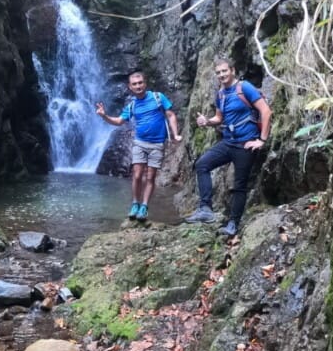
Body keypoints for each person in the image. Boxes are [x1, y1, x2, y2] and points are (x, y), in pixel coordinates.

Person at [184, 58, 272, 236]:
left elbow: (266, 111)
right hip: (228, 142)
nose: (221, 75)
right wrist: (207, 121)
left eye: (224, 71)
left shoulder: (244, 87)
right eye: (218, 73)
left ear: (232, 70)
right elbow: (219, 118)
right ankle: (205, 209)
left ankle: (233, 223)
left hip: (245, 144)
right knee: (202, 164)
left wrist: (261, 140)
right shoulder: (221, 94)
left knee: (239, 185)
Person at [96, 70, 182, 220]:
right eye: (134, 84)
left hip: (157, 144)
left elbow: (170, 115)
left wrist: (175, 134)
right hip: (140, 143)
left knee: (150, 177)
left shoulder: (158, 98)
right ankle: (135, 203)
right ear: (130, 87)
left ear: (145, 83)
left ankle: (144, 207)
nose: (138, 86)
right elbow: (118, 122)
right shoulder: (132, 106)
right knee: (136, 175)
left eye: (140, 83)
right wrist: (104, 116)